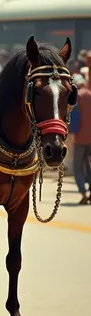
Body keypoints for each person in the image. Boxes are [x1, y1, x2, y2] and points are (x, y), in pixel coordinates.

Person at [71, 53, 91, 204]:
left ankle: (83, 193)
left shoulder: (77, 97)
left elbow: (74, 119)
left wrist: (71, 134)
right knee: (88, 166)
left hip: (80, 138)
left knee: (78, 167)